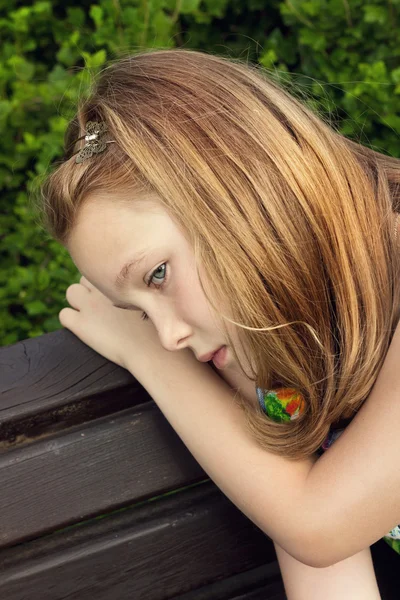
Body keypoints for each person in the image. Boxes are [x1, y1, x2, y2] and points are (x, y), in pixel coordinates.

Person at [36, 48, 400, 599]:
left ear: (238, 196)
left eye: (157, 275)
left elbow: (318, 526)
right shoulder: (289, 362)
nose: (168, 335)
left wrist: (152, 361)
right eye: (136, 314)